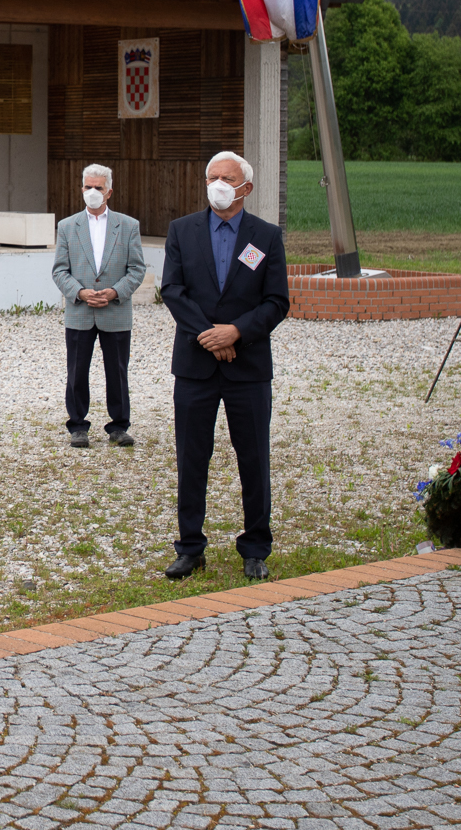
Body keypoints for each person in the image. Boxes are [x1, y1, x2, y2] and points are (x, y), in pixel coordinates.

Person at [159, 151, 289, 582]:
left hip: (248, 367)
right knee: (192, 459)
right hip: (195, 366)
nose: (217, 183)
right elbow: (173, 290)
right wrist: (210, 336)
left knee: (253, 459)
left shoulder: (266, 237)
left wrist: (236, 332)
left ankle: (255, 547)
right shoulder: (182, 230)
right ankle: (190, 547)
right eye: (211, 176)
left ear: (245, 188)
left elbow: (277, 301)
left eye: (226, 178)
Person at [51, 164, 147, 449]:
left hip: (115, 311)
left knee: (117, 371)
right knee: (76, 371)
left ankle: (119, 425)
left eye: (98, 188)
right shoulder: (67, 226)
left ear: (109, 192)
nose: (93, 192)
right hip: (79, 313)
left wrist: (116, 291)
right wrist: (79, 292)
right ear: (81, 189)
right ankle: (78, 425)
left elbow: (137, 269)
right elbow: (59, 270)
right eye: (88, 187)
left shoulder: (129, 226)